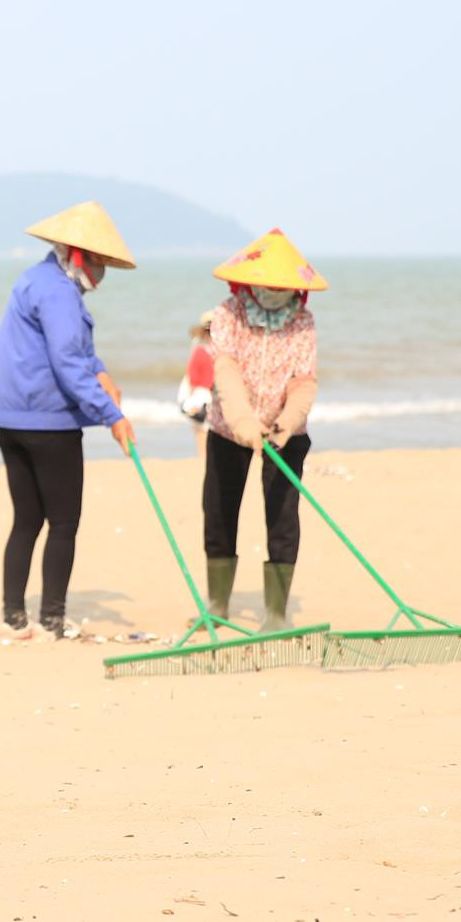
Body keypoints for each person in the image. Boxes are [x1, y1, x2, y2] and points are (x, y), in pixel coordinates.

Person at [0, 201, 136, 640]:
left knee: (27, 519)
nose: (100, 273)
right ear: (76, 254)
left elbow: (72, 348)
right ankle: (52, 618)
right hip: (47, 424)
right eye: (97, 262)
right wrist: (113, 417)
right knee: (64, 522)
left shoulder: (34, 278)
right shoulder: (57, 291)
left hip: (10, 420)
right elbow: (68, 363)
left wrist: (102, 371)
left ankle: (13, 617)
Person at [201, 228, 327, 632]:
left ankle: (275, 613)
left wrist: (286, 423)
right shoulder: (227, 314)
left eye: (281, 286)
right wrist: (242, 422)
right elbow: (226, 370)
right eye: (266, 284)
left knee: (283, 517)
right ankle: (218, 605)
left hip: (284, 433)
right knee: (219, 513)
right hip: (228, 429)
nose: (273, 291)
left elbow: (303, 380)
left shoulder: (303, 322)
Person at [177, 311, 218, 458]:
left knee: (203, 434)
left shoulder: (202, 352)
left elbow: (193, 378)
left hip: (206, 397)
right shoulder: (221, 353)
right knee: (209, 435)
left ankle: (203, 459)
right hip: (210, 397)